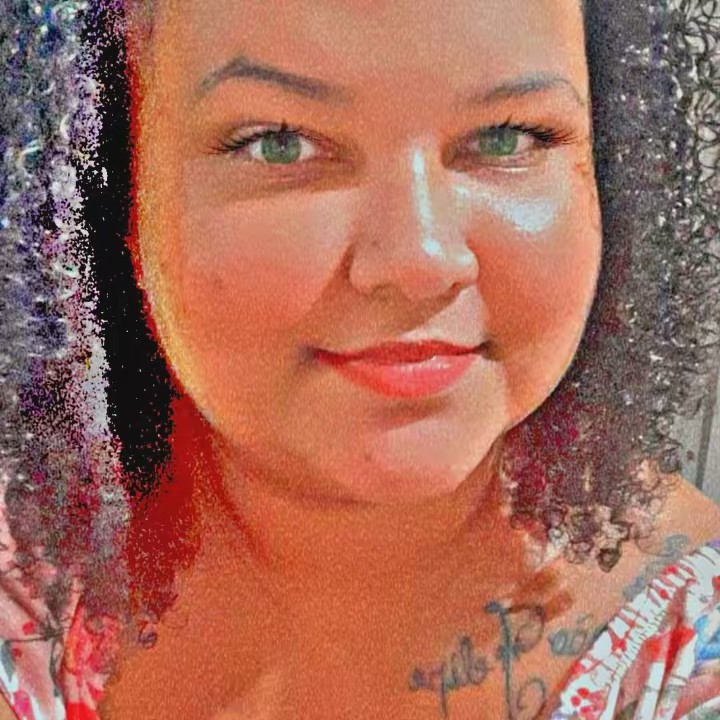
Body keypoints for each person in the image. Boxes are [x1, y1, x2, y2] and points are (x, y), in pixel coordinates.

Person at [0, 0, 718, 718]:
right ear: (114, 185)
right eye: (279, 144)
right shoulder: (23, 588)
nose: (420, 259)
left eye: (507, 137)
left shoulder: (689, 648)